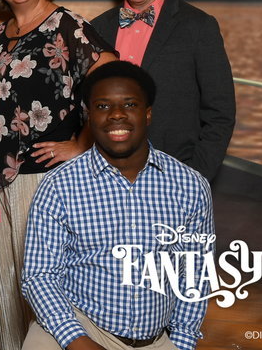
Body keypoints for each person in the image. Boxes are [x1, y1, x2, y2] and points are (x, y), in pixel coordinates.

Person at [21, 60, 214, 350]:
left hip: (156, 338)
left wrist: (182, 343)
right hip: (80, 326)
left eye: (130, 104)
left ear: (147, 114)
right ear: (88, 116)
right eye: (102, 106)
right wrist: (77, 340)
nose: (116, 115)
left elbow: (195, 274)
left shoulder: (190, 186)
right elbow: (40, 274)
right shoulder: (59, 185)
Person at [0, 0, 116, 350]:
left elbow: (112, 81)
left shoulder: (67, 26)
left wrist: (82, 143)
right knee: (7, 291)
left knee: (46, 291)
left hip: (46, 180)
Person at [90, 0, 235, 181]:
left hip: (174, 178)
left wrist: (195, 179)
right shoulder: (96, 29)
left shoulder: (198, 26)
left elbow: (220, 114)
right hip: (103, 180)